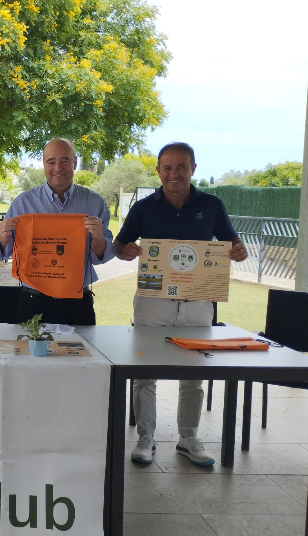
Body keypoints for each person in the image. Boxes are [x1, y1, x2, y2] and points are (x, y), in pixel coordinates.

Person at [113, 141, 249, 467]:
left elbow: (232, 241)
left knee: (195, 372)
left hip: (198, 300)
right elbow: (120, 244)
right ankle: (146, 437)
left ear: (193, 168)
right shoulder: (144, 208)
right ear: (159, 171)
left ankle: (188, 437)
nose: (174, 174)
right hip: (152, 301)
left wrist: (238, 249)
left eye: (181, 167)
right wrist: (125, 250)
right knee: (145, 371)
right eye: (168, 167)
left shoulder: (212, 205)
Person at [0, 138, 114, 325]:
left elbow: (101, 257)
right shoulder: (23, 203)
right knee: (31, 354)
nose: (58, 167)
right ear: (44, 164)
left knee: (82, 354)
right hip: (33, 301)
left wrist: (98, 237)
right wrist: (3, 236)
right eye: (51, 162)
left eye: (64, 160)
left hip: (78, 303)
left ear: (75, 162)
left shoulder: (95, 203)